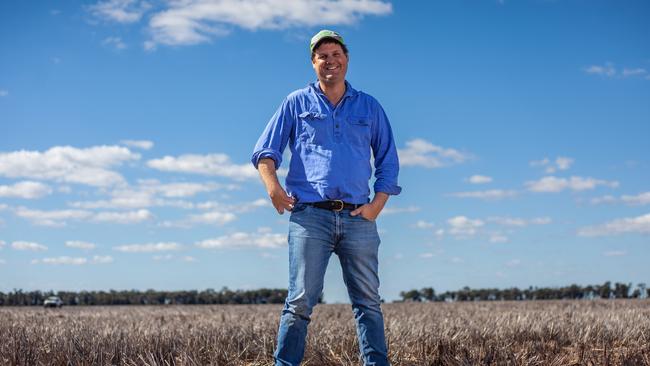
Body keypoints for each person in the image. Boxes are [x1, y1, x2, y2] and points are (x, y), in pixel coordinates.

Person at [251, 29, 401, 366]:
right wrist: (272, 187)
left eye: (336, 54)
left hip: (357, 218)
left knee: (368, 302)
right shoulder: (296, 102)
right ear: (313, 63)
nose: (330, 61)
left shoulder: (369, 106)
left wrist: (377, 205)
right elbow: (265, 151)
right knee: (300, 302)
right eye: (323, 56)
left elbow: (388, 159)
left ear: (346, 60)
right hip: (309, 217)